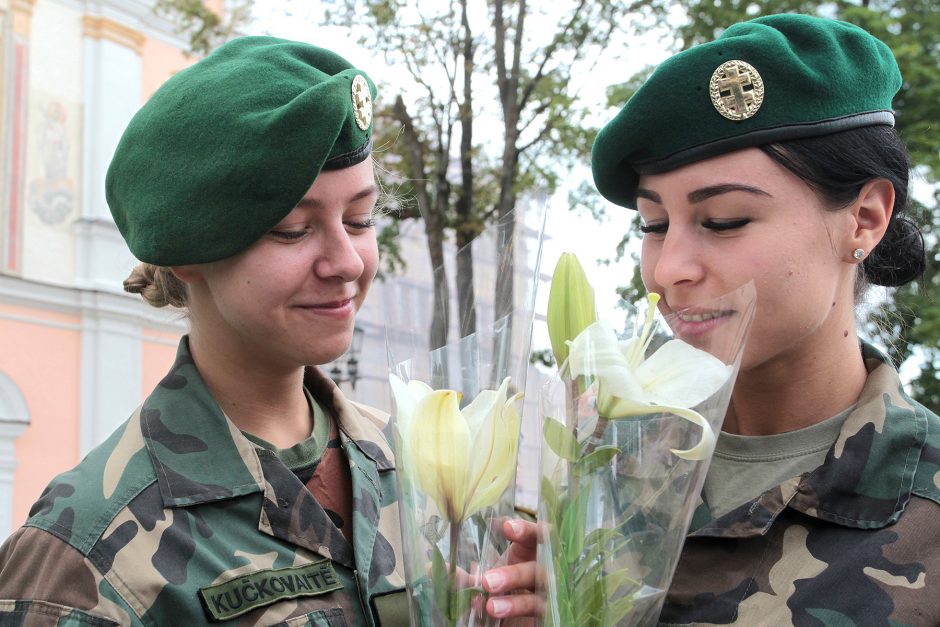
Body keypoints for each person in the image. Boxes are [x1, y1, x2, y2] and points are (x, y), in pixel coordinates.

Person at [0, 36, 535, 625]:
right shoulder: (87, 555)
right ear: (188, 251)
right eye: (293, 230)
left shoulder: (420, 465)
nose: (349, 262)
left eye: (360, 219)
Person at [587, 12, 939, 625]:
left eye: (724, 220)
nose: (670, 269)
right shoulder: (600, 470)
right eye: (653, 225)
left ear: (864, 220)